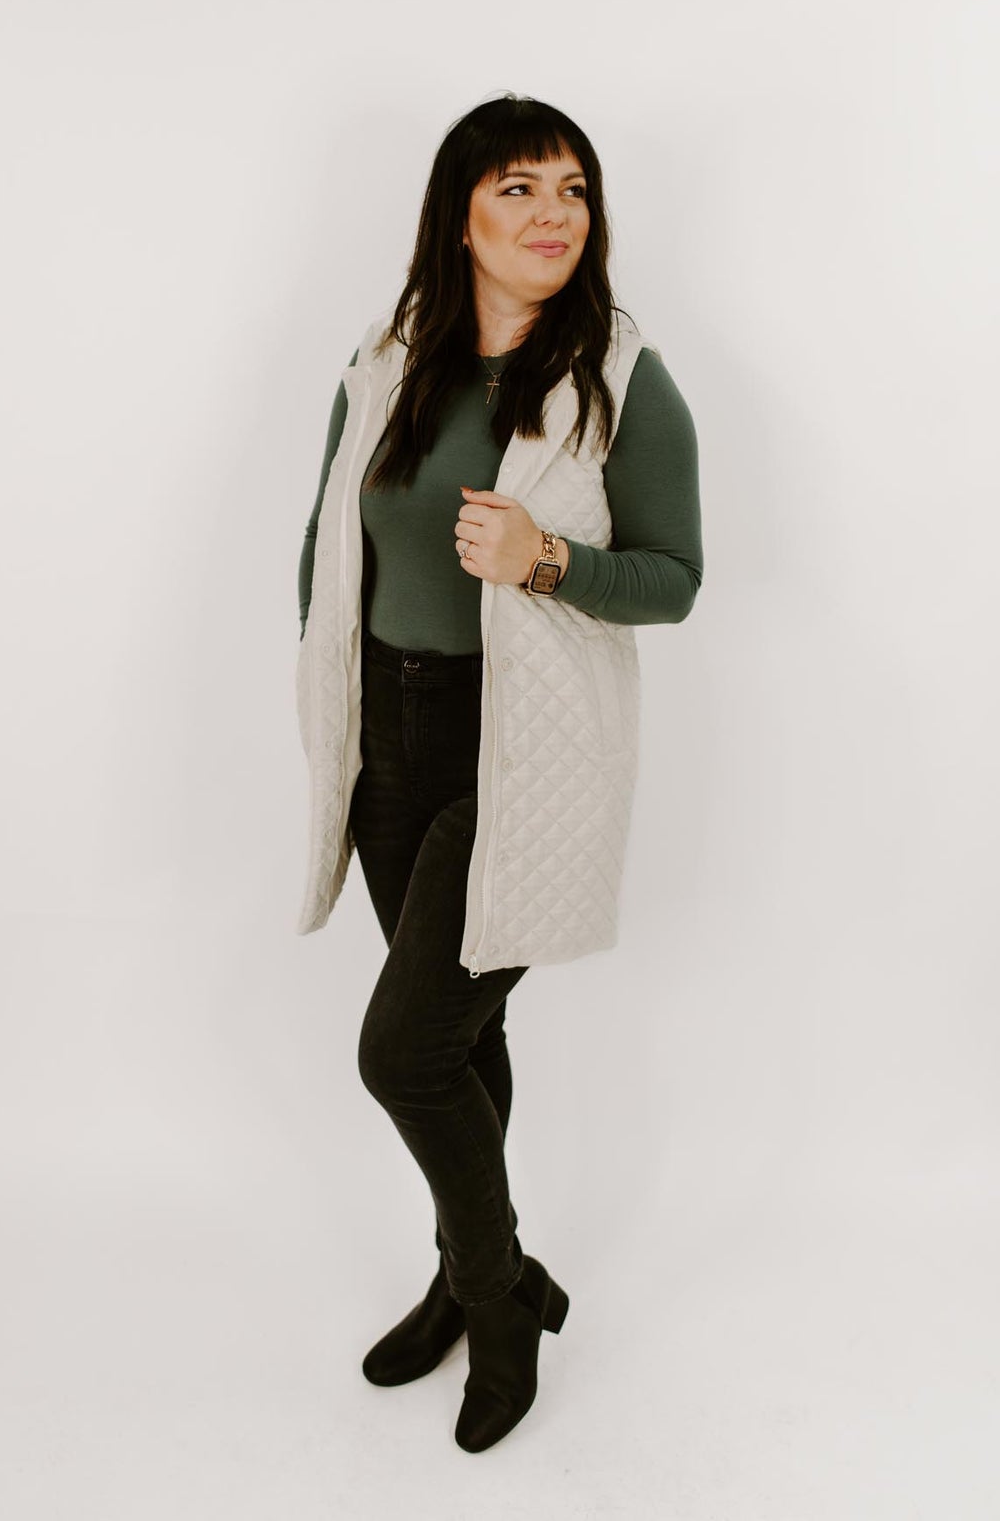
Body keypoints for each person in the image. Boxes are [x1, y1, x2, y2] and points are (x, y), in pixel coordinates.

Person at [294, 93, 703, 1453]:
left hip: (524, 748)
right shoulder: (385, 359)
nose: (551, 214)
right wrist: (328, 695)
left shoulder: (621, 380)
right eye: (518, 188)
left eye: (572, 189)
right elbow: (327, 542)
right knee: (464, 1037)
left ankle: (498, 1296)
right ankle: (472, 1270)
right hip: (389, 739)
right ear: (458, 216)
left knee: (403, 1051)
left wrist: (546, 559)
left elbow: (674, 578)